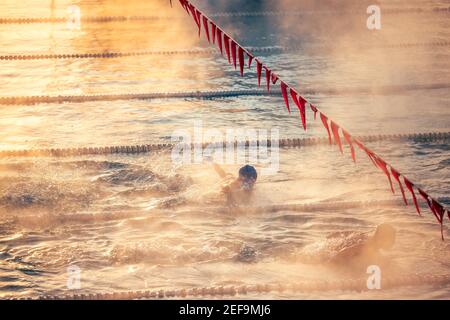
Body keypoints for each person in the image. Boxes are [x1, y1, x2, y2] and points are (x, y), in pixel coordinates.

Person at [328, 223, 396, 268]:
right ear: (382, 237)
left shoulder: (374, 249)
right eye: (392, 238)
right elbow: (335, 259)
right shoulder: (364, 247)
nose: (393, 242)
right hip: (328, 254)